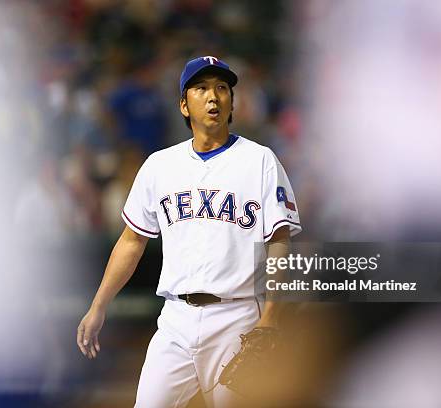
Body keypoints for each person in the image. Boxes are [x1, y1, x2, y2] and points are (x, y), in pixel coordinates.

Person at [77, 56, 302, 407]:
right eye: (201, 89)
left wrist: (271, 315)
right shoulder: (159, 165)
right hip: (175, 320)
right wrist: (99, 305)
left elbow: (280, 241)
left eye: (222, 88)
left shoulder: (260, 161)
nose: (213, 97)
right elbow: (131, 241)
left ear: (231, 102)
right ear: (184, 104)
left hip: (238, 318)